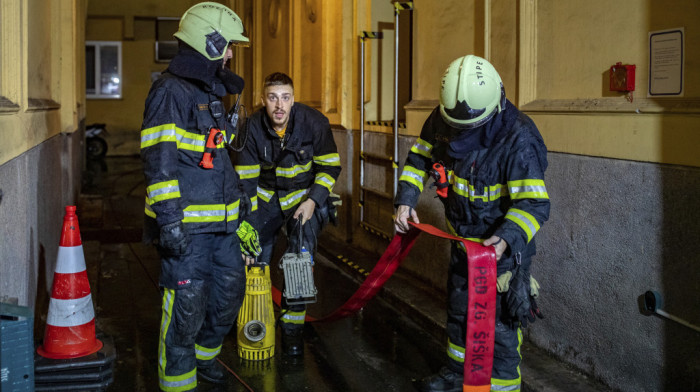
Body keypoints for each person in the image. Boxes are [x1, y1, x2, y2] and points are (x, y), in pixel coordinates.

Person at [394, 55, 550, 392]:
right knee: (460, 311)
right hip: (462, 244)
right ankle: (457, 375)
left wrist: (506, 238)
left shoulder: (519, 139)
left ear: (493, 108)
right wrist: (406, 200)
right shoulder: (442, 120)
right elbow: (418, 158)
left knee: (501, 331)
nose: (458, 136)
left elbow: (533, 204)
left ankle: (501, 388)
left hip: (502, 254)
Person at [140, 3, 257, 390]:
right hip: (187, 229)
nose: (230, 55)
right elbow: (159, 162)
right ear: (208, 42)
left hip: (223, 226)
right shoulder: (169, 92)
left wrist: (240, 209)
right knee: (186, 309)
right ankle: (177, 380)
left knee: (228, 295)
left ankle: (204, 358)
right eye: (227, 46)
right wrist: (169, 222)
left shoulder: (209, 92)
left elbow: (218, 157)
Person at [234, 72, 342, 356]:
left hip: (303, 200)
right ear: (262, 100)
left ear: (293, 99)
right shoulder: (251, 128)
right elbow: (245, 184)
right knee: (255, 258)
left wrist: (314, 201)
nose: (279, 105)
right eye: (272, 98)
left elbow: (330, 167)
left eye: (285, 97)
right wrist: (247, 229)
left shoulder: (314, 123)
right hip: (266, 200)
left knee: (299, 258)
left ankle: (293, 333)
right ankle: (259, 323)